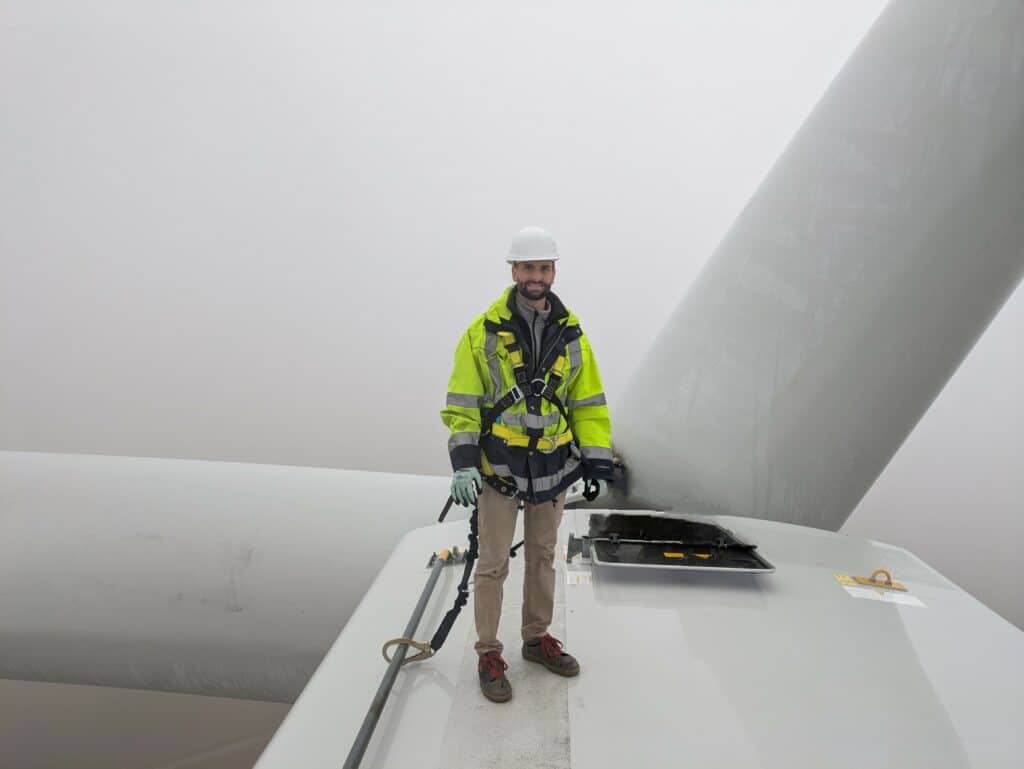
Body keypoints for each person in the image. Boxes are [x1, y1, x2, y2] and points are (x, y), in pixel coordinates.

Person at [440, 226, 614, 703]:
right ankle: (489, 652)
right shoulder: (483, 332)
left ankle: (536, 640)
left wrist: (596, 462)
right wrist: (463, 462)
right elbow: (463, 403)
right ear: (514, 271)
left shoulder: (572, 332)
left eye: (543, 267)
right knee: (492, 564)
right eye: (527, 268)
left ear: (553, 271)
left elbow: (588, 403)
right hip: (499, 470)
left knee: (541, 557)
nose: (536, 276)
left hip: (553, 469)